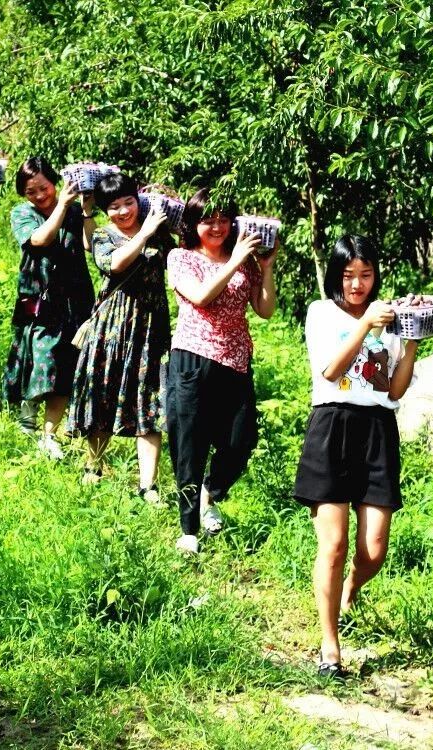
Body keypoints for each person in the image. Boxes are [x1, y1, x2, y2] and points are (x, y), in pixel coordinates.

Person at [293, 235, 426, 678]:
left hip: (376, 431)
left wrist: (410, 341)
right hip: (331, 426)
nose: (357, 285)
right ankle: (330, 646)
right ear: (336, 275)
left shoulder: (389, 320)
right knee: (332, 545)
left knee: (373, 550)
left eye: (365, 276)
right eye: (349, 276)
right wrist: (366, 324)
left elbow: (394, 388)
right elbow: (330, 370)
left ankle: (351, 587)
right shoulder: (321, 313)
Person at [166, 188, 276, 555]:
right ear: (193, 224)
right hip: (193, 358)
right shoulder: (180, 257)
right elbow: (200, 296)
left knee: (241, 439)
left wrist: (266, 267)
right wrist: (234, 262)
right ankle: (188, 530)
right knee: (190, 444)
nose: (216, 227)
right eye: (207, 220)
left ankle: (208, 496)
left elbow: (264, 310)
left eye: (223, 219)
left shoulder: (244, 260)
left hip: (236, 358)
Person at [66, 172, 171, 499]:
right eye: (114, 206)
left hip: (150, 327)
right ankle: (93, 466)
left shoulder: (157, 231)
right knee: (103, 394)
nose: (124, 211)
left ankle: (147, 485)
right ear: (105, 210)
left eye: (129, 202)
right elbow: (114, 266)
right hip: (112, 328)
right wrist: (144, 235)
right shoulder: (102, 236)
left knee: (150, 403)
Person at [3, 157, 96, 456]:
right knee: (41, 357)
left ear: (55, 183)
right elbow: (40, 239)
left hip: (76, 299)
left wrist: (87, 209)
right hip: (39, 299)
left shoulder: (72, 210)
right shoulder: (22, 212)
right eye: (32, 191)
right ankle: (28, 413)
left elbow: (91, 244)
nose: (40, 195)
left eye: (44, 188)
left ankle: (49, 435)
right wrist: (61, 207)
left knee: (68, 363)